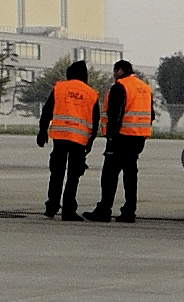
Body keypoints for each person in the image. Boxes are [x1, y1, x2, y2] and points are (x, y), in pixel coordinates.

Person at [86, 58, 153, 223]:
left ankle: (104, 210)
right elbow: (151, 114)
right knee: (130, 175)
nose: (114, 75)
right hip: (139, 137)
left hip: (121, 137)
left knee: (109, 174)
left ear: (120, 71)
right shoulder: (145, 88)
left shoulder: (120, 87)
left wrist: (110, 136)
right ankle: (129, 211)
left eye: (115, 72)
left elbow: (115, 114)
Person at [36, 59, 99, 221]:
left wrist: (42, 131)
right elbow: (95, 121)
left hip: (60, 137)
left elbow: (47, 110)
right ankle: (69, 210)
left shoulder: (60, 88)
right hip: (80, 140)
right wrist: (90, 142)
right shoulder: (91, 94)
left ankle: (51, 206)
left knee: (57, 173)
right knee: (73, 176)